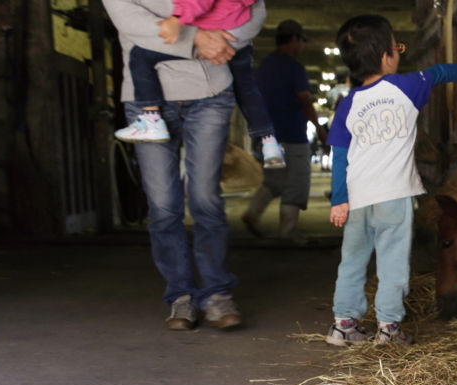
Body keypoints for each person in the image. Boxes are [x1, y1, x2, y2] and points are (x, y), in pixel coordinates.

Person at [103, 0, 265, 330]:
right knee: (163, 205)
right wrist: (193, 36)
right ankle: (181, 295)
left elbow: (256, 8)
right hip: (147, 95)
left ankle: (217, 294)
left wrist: (225, 37)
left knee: (206, 197)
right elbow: (127, 18)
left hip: (210, 91)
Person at [327, 14, 457, 346]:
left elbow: (339, 155)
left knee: (352, 261)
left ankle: (343, 326)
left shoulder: (348, 104)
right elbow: (440, 73)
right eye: (397, 47)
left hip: (356, 197)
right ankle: (388, 328)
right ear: (387, 56)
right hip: (393, 197)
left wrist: (338, 199)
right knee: (393, 262)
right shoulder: (407, 86)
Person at [113, 0, 285, 170]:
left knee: (139, 56)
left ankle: (151, 120)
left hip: (211, 37)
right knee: (246, 87)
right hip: (236, 36)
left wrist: (176, 19)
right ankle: (269, 142)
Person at [241, 20, 328, 240]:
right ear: (294, 39)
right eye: (301, 42)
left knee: (274, 181)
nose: (302, 47)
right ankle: (288, 232)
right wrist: (320, 130)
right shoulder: (294, 68)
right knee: (296, 183)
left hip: (269, 138)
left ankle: (252, 214)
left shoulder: (264, 66)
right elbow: (306, 102)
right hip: (292, 136)